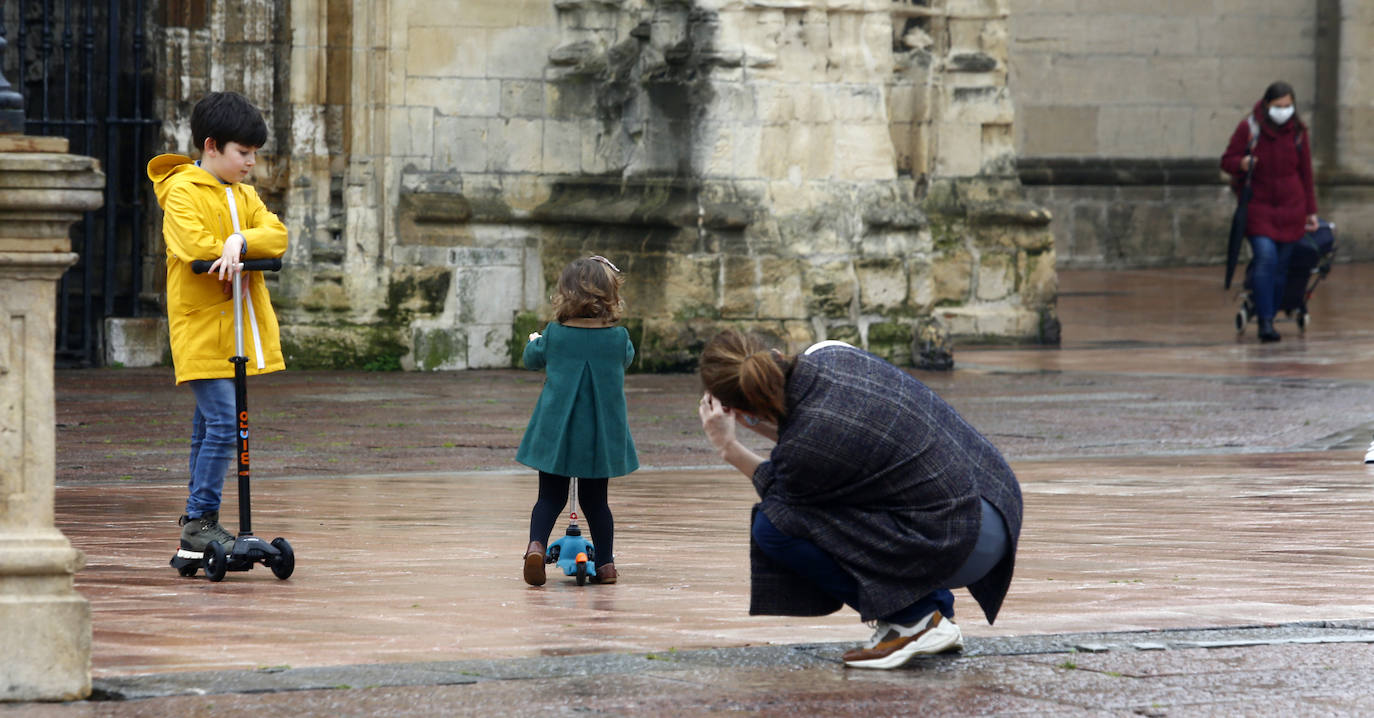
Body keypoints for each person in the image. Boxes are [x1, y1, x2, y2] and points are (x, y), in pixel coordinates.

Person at [697, 332, 1022, 670]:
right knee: (845, 498)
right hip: (993, 496)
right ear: (775, 353)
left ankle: (916, 618)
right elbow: (816, 440)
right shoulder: (830, 354)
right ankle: (930, 611)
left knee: (774, 526)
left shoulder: (806, 445)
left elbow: (784, 492)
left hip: (962, 539)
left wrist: (729, 448)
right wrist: (756, 418)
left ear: (733, 407)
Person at [147, 91, 289, 558]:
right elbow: (195, 247)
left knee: (208, 426)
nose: (251, 163)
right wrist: (225, 249)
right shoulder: (182, 192)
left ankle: (193, 531)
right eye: (243, 153)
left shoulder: (245, 196)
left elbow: (276, 235)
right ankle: (201, 519)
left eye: (254, 154)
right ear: (212, 146)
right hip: (202, 328)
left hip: (239, 330)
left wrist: (239, 240)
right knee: (226, 423)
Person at [517, 256, 638, 586]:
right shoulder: (618, 338)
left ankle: (536, 547)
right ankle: (607, 565)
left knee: (549, 498)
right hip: (598, 436)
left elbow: (532, 359)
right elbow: (626, 358)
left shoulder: (556, 334)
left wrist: (534, 340)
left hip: (556, 433)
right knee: (597, 502)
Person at [1221, 81, 1319, 343]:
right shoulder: (1249, 128)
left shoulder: (1298, 132)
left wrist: (1311, 210)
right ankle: (1265, 320)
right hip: (1259, 206)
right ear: (1266, 105)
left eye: (1288, 106)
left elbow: (1305, 172)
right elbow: (1227, 160)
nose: (1284, 111)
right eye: (1279, 106)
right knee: (1265, 259)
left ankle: (1270, 314)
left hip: (1291, 208)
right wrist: (1242, 163)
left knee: (1281, 267)